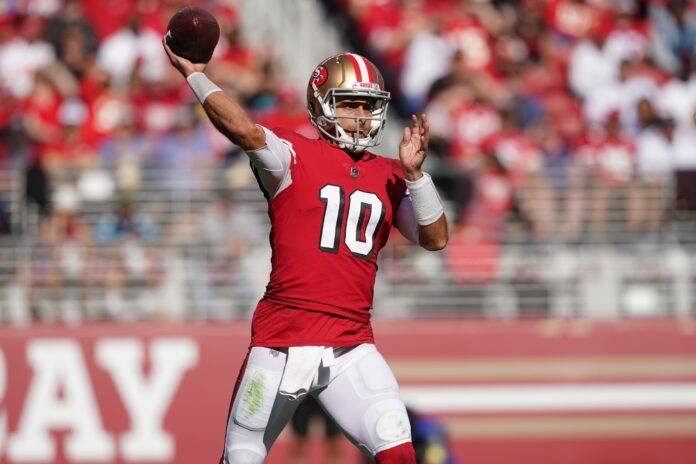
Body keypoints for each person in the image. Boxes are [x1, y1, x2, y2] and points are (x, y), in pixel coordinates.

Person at [164, 37, 448, 464]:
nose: (361, 116)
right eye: (351, 103)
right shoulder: (293, 155)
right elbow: (241, 128)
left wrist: (417, 177)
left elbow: (435, 238)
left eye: (369, 105)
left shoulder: (391, 174)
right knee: (240, 458)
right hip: (281, 342)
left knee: (399, 450)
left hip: (351, 344)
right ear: (322, 104)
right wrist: (197, 76)